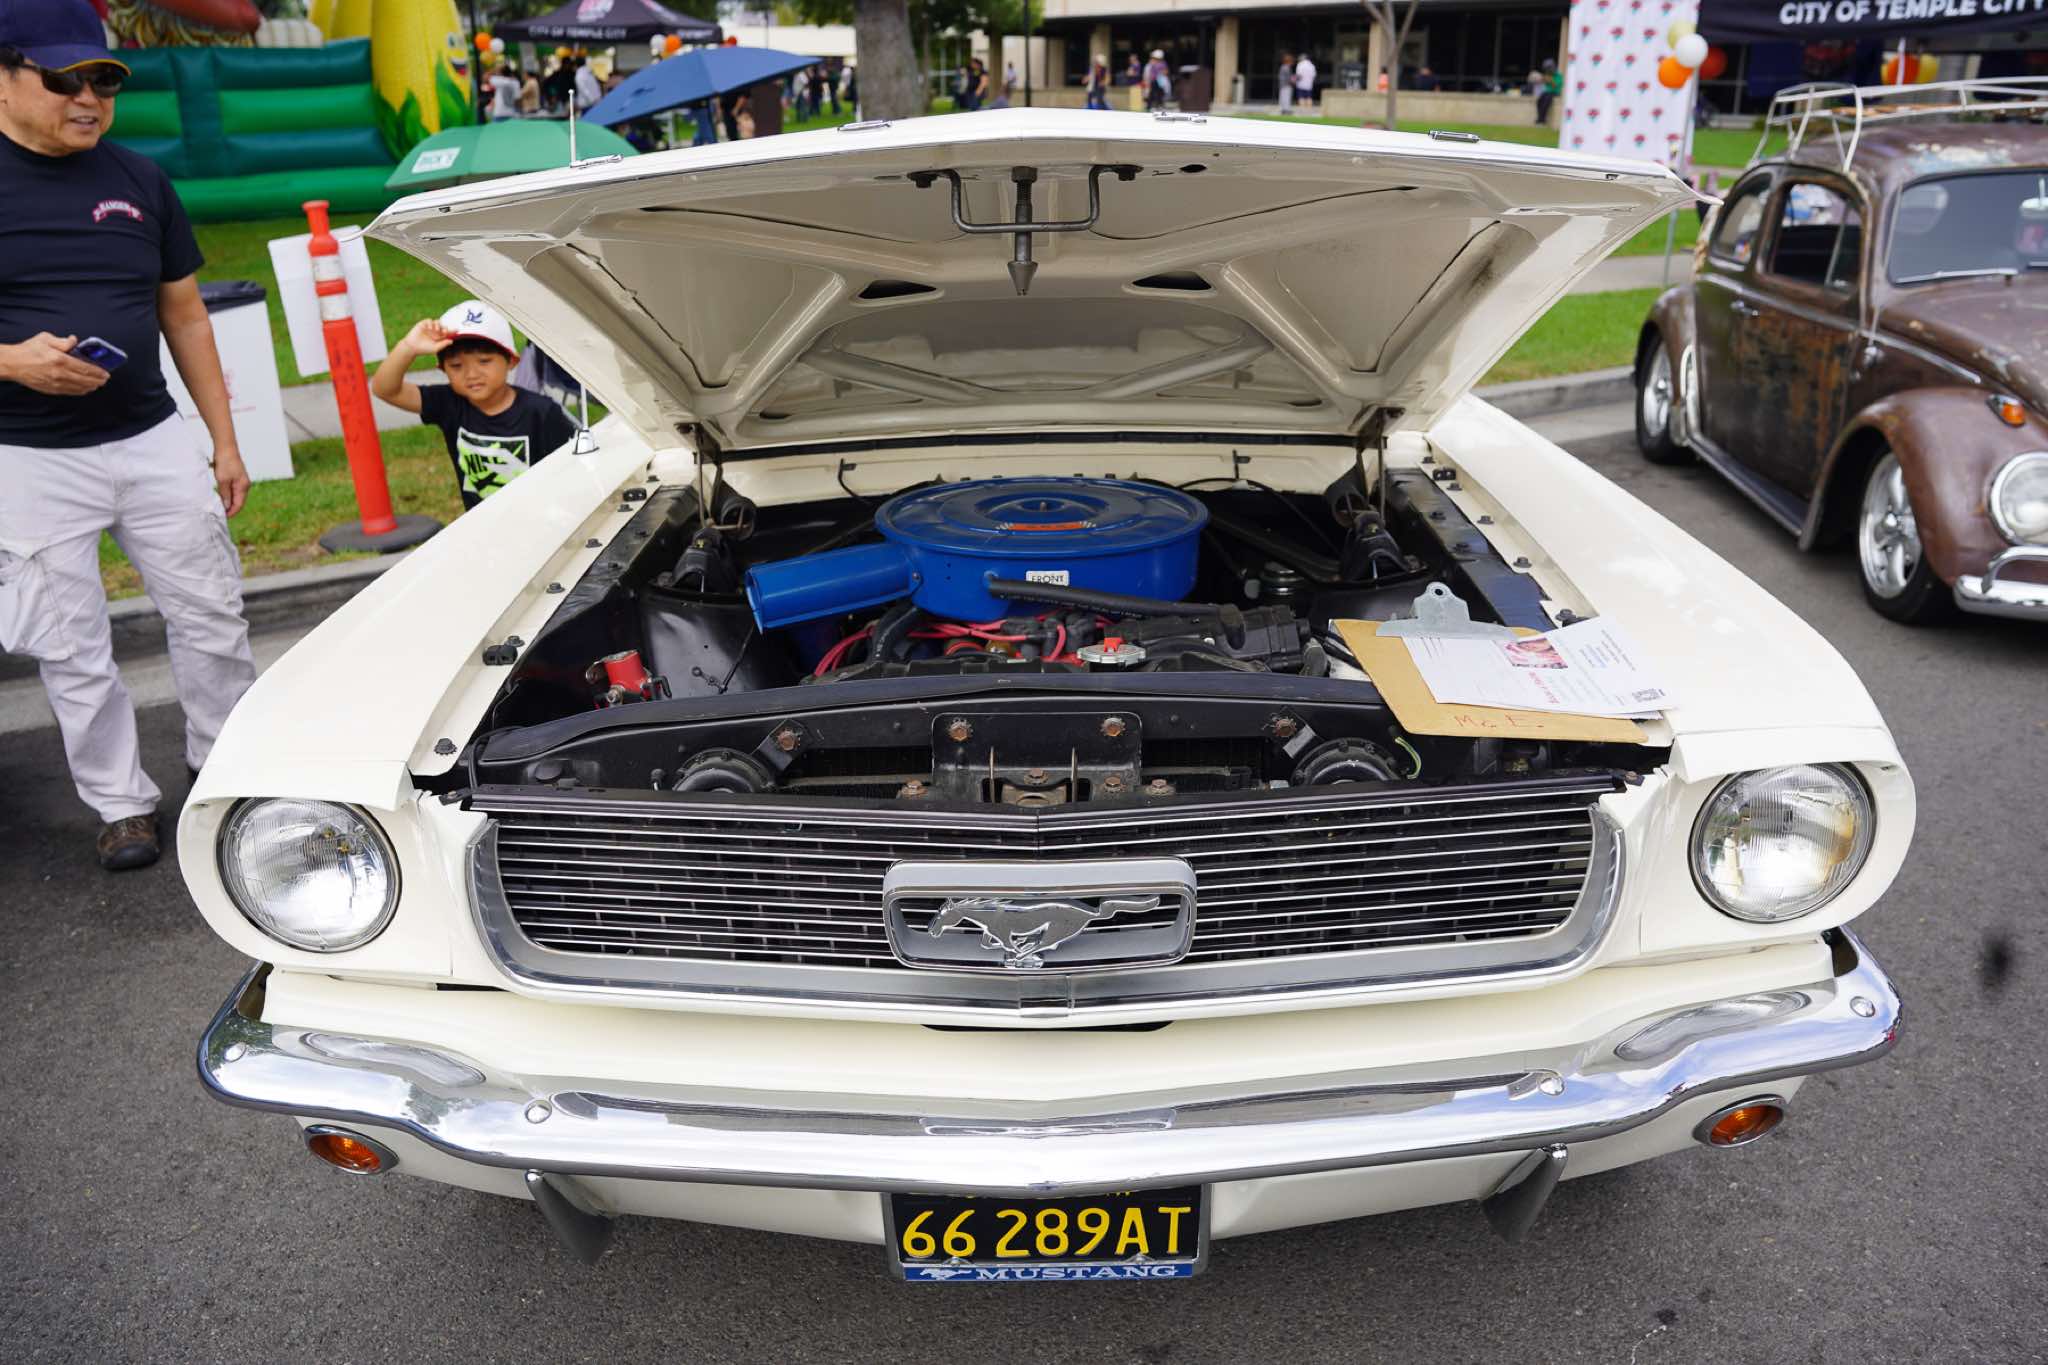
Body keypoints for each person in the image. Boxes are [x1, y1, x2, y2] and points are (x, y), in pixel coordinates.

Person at [0, 0, 257, 871]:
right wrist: (11, 361)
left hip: (151, 438)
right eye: (63, 80)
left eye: (104, 81)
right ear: (4, 78)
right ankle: (121, 805)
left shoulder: (141, 179)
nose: (89, 99)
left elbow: (184, 315)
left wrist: (223, 440)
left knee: (212, 610)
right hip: (27, 457)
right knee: (71, 644)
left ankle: (226, 766)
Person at [369, 302, 577, 512]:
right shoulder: (448, 403)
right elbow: (385, 389)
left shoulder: (542, 412)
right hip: (481, 524)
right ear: (443, 369)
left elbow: (572, 470)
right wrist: (408, 347)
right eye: (456, 365)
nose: (471, 374)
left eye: (484, 361)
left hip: (541, 520)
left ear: (512, 361)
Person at [1535, 57, 1560, 126]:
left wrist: (1550, 80)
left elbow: (1555, 86)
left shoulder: (1558, 75)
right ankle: (1540, 118)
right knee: (1539, 101)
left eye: (1548, 68)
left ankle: (1541, 120)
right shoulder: (1547, 75)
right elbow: (1543, 84)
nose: (1547, 70)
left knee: (1546, 103)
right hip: (1547, 92)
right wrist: (1542, 79)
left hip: (1554, 92)